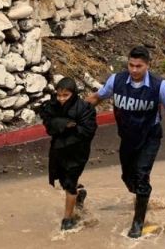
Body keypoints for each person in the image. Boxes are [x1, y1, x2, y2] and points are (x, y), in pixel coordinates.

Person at [86, 45, 165, 238]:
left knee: (142, 176)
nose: (134, 70)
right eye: (131, 65)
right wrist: (74, 112)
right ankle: (142, 196)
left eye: (139, 66)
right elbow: (96, 98)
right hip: (127, 138)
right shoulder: (116, 81)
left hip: (150, 136)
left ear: (147, 66)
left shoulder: (160, 86)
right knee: (128, 178)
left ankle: (138, 223)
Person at [41, 77, 97, 231]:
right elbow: (48, 124)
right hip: (58, 150)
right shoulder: (51, 106)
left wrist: (64, 127)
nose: (61, 99)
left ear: (73, 94)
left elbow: (87, 131)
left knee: (69, 183)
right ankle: (79, 195)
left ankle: (67, 219)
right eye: (59, 95)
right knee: (62, 179)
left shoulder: (85, 108)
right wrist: (65, 124)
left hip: (77, 152)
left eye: (65, 95)